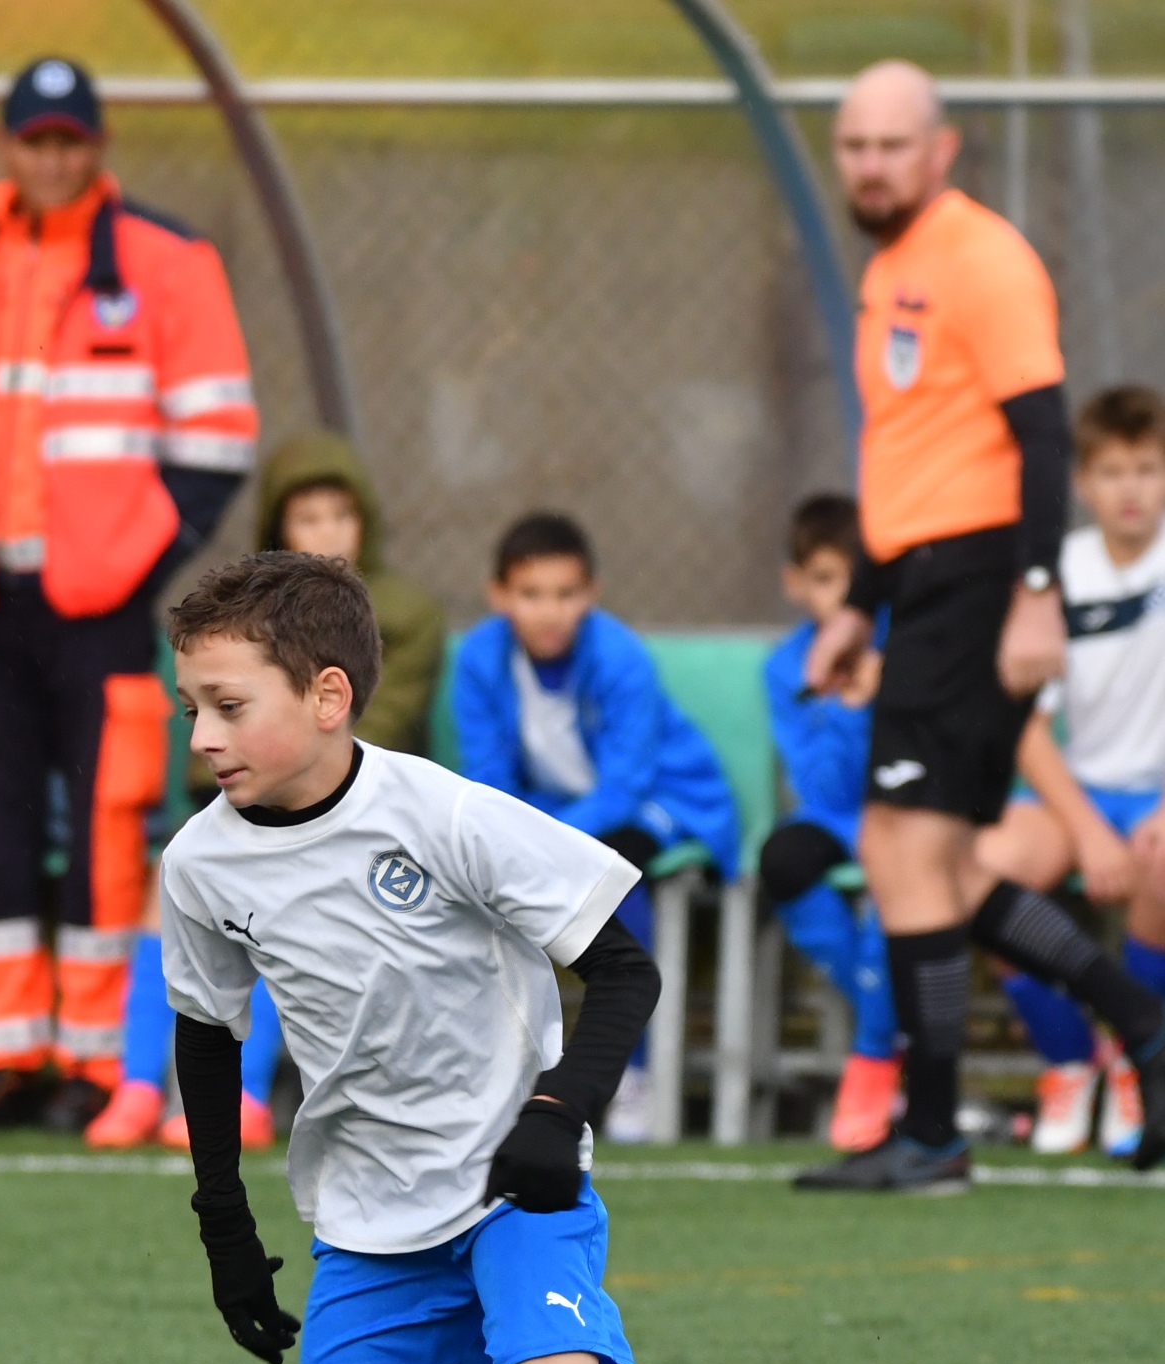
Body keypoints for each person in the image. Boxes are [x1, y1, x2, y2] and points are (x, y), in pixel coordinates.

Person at [155, 550, 830, 1364]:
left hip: (520, 1198)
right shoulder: (201, 866)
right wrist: (221, 1226)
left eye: (228, 704)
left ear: (327, 694)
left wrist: (555, 1110)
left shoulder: (445, 815)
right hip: (366, 1219)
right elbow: (208, 1037)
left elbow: (625, 967)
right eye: (189, 706)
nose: (203, 734)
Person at [797, 60, 1165, 1189]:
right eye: (854, 146)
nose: (869, 165)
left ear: (940, 149)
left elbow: (1042, 437)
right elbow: (903, 459)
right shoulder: (891, 271)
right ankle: (1142, 1028)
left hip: (981, 578)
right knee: (937, 860)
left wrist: (1034, 596)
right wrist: (860, 603)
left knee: (903, 844)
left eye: (891, 145)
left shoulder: (983, 257)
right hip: (926, 584)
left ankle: (935, 1131)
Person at [0, 54, 256, 1135]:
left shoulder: (167, 262)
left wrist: (138, 559)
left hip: (98, 601)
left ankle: (96, 1063)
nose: (52, 157)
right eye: (34, 139)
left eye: (70, 140)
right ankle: (7, 1055)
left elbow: (217, 437)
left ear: (97, 148)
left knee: (104, 824)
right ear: (7, 147)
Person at [94, 429, 442, 1149]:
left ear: (364, 522)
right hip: (249, 802)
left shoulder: (404, 614)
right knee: (167, 890)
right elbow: (214, 716)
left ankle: (240, 1096)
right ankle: (134, 1085)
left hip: (356, 813)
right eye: (307, 519)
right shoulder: (242, 620)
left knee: (272, 904)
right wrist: (217, 793)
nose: (326, 534)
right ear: (279, 528)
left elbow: (384, 719)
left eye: (339, 517)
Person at [452, 513, 739, 1142]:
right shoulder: (477, 659)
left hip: (663, 803)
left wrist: (541, 837)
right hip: (556, 813)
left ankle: (630, 1074)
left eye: (565, 593)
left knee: (615, 882)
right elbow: (488, 775)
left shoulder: (620, 656)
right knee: (475, 886)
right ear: (498, 595)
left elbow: (625, 786)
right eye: (531, 594)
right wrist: (520, 836)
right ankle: (494, 1073)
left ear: (592, 593)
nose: (549, 611)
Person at [977, 382, 1165, 1156]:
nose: (1132, 489)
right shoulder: (1052, 574)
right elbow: (1026, 729)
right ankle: (1069, 1062)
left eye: (1149, 469)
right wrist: (1088, 831)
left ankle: (1136, 1059)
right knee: (978, 871)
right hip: (1070, 795)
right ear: (1083, 482)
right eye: (1114, 471)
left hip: (1156, 801)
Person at [759, 494, 901, 1153]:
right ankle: (894, 1017)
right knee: (783, 859)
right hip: (837, 815)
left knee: (897, 878)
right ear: (794, 583)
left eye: (848, 578)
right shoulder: (785, 668)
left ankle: (879, 1049)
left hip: (906, 814)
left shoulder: (907, 643)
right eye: (819, 578)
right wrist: (848, 709)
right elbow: (821, 786)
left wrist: (882, 689)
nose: (835, 596)